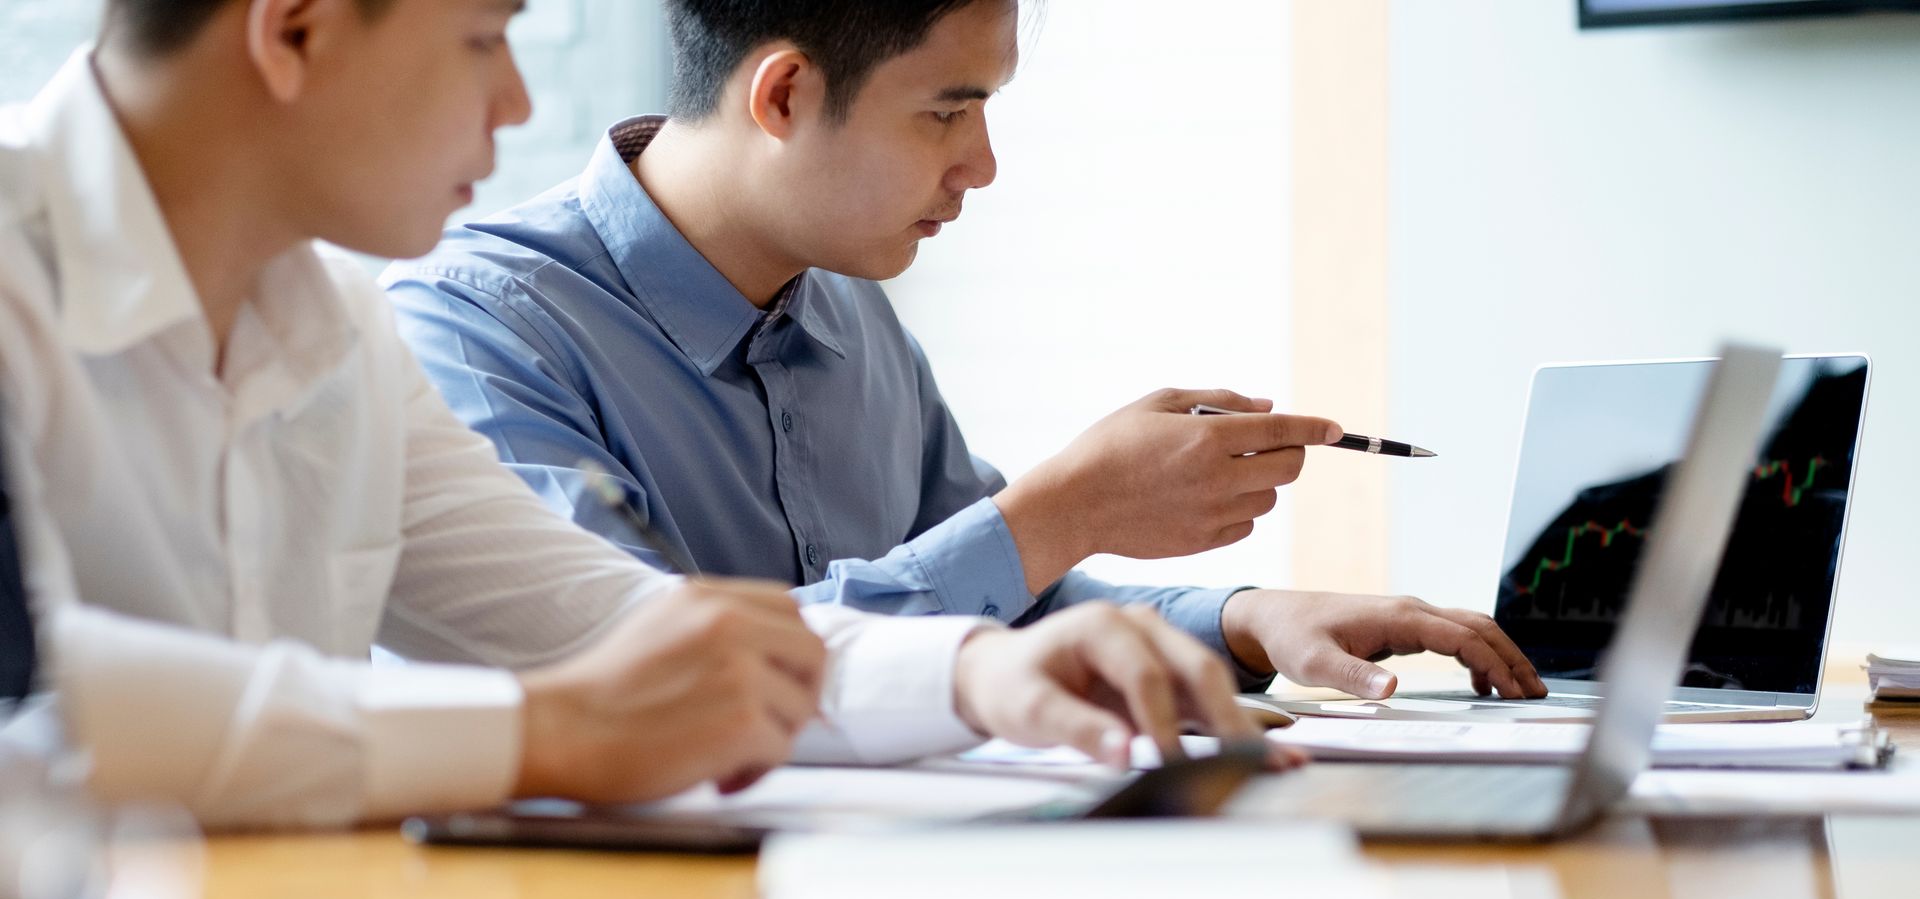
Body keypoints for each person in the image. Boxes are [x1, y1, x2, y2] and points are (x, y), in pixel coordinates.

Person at [0, 0, 1280, 832]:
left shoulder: (336, 334)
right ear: (295, 31)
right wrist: (544, 730)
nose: (513, 104)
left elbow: (618, 625)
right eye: (482, 38)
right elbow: (37, 720)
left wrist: (973, 669)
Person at [384, 0, 1549, 707]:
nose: (981, 163)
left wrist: (1249, 619)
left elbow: (994, 604)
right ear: (783, 95)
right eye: (945, 112)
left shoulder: (848, 304)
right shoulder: (478, 330)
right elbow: (650, 670)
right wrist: (1061, 507)